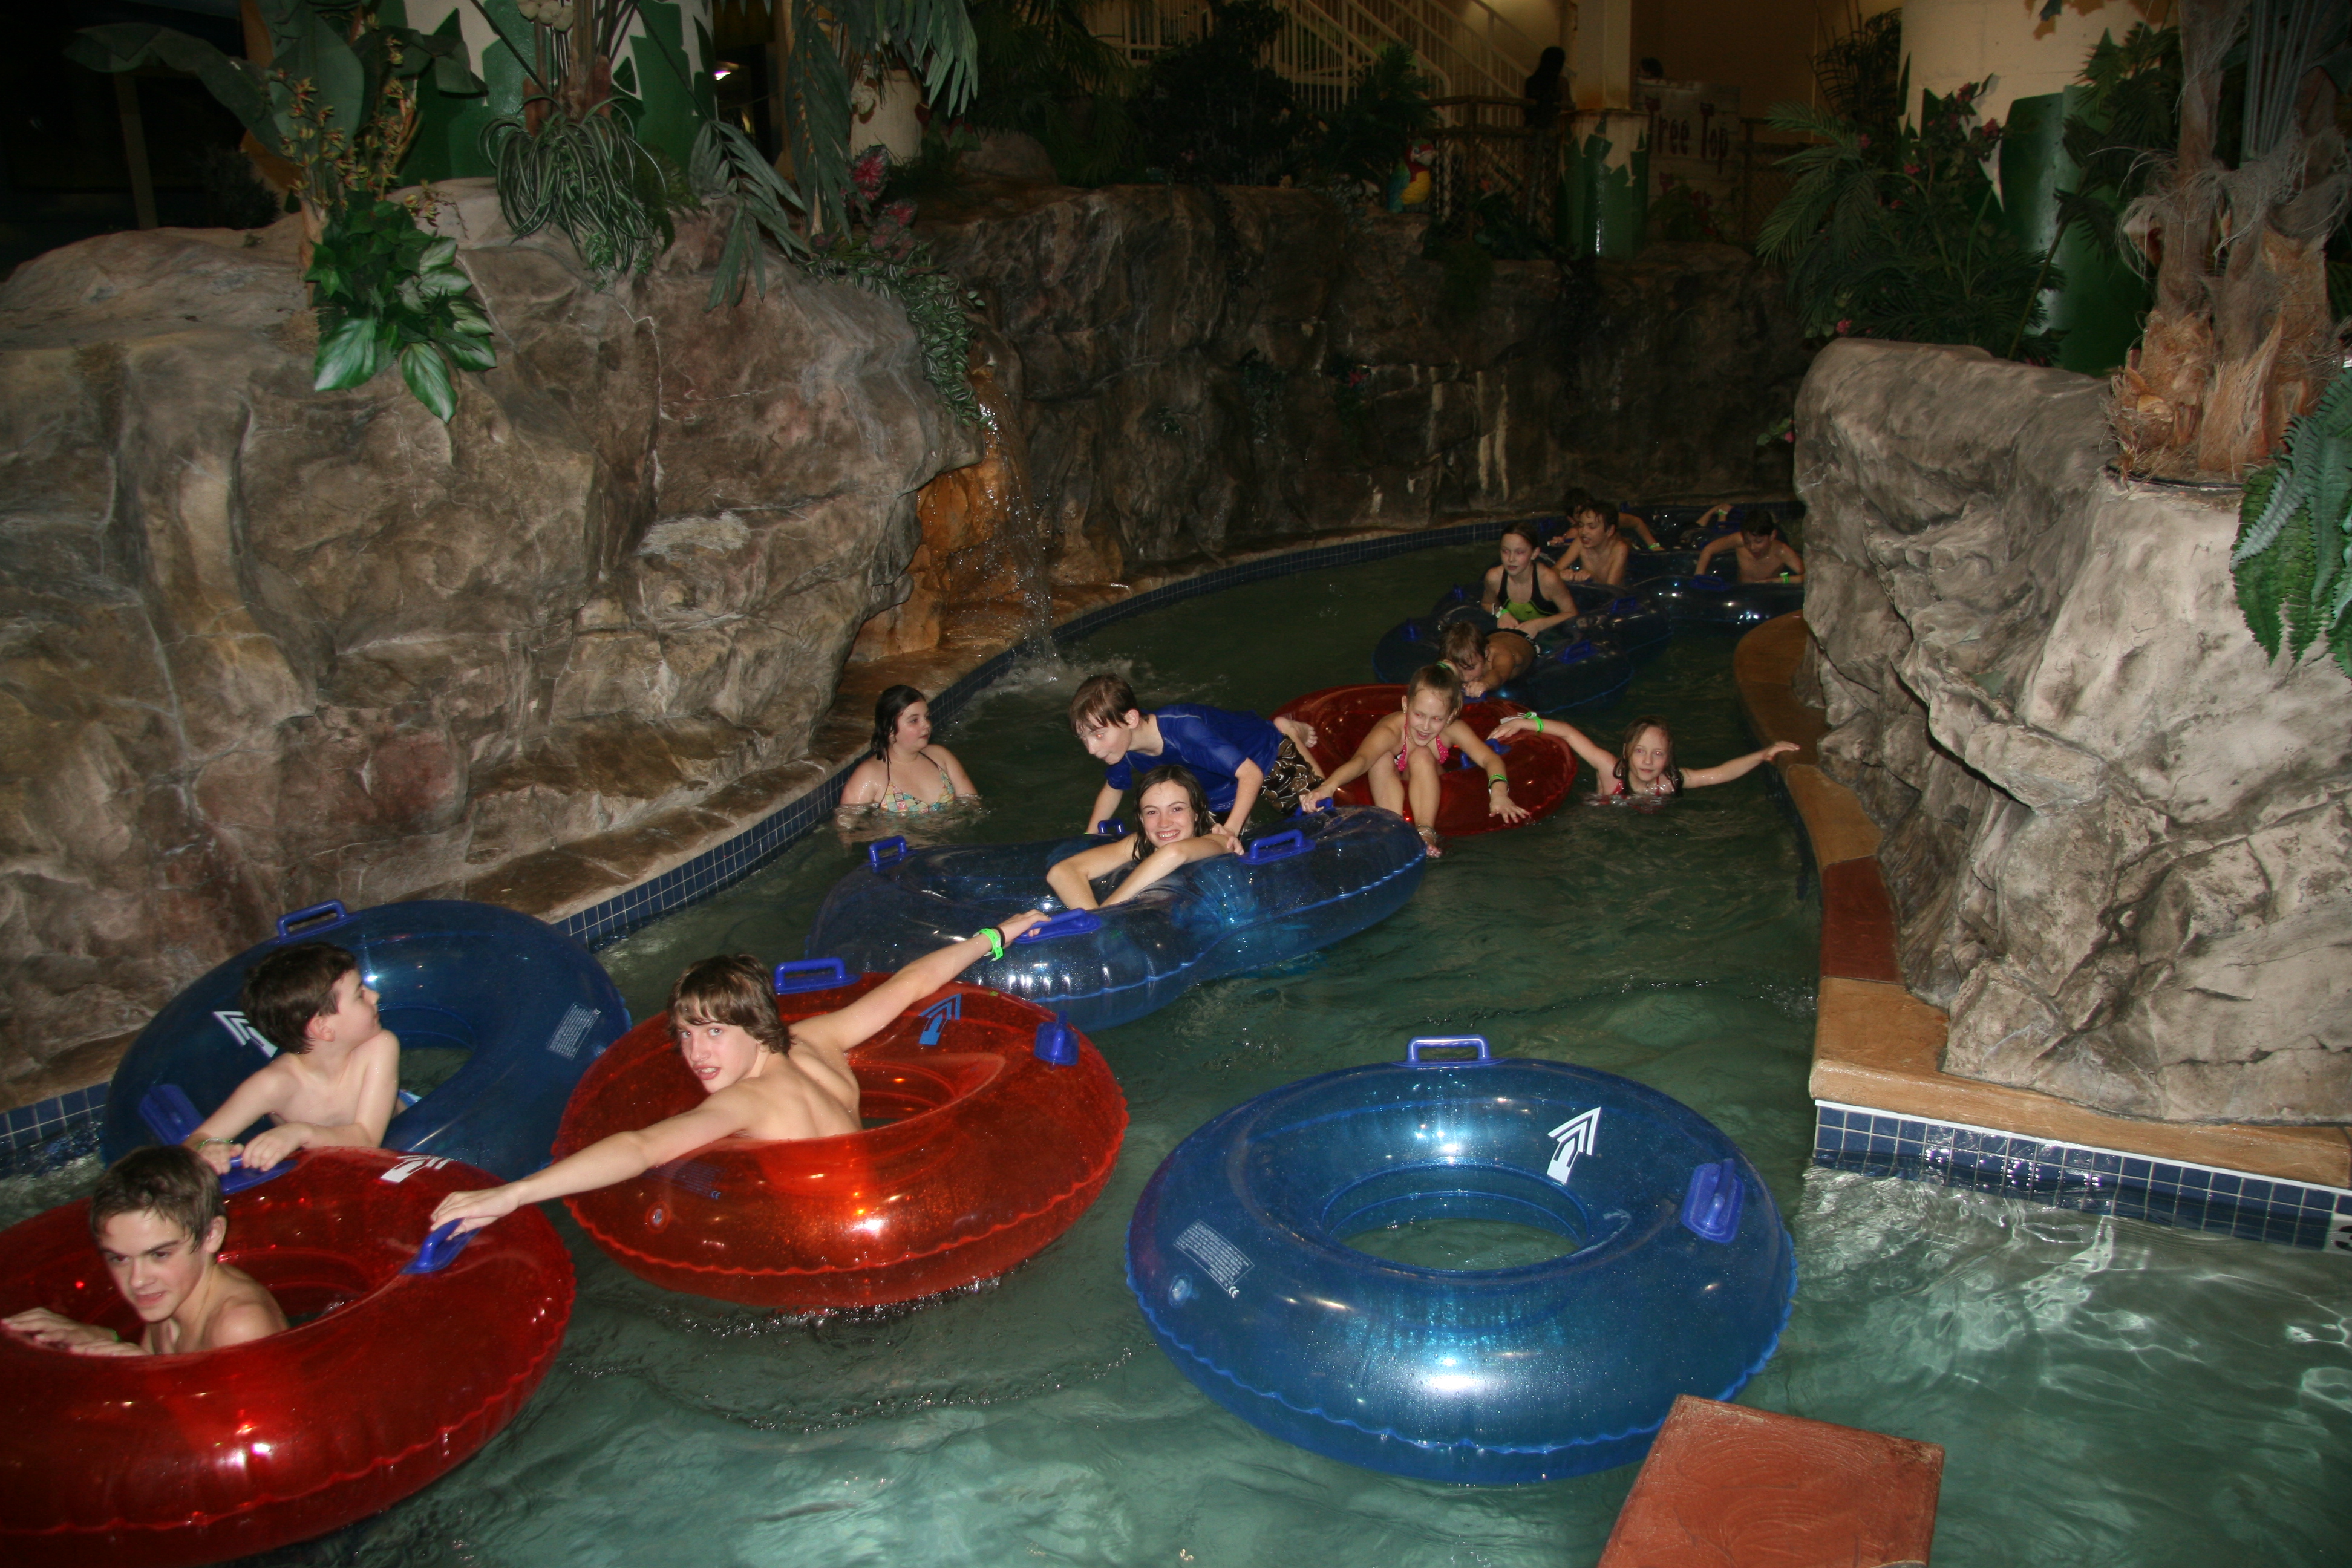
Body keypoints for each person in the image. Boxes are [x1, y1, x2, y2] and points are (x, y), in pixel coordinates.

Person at [426, 920, 1049, 1237]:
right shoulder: (818, 1040)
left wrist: (513, 1194)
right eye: (685, 1034)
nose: (695, 1053)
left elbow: (641, 1147)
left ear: (754, 1026)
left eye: (714, 1032)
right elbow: (911, 983)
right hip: (904, 1214)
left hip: (842, 1256)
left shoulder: (747, 1102)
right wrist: (996, 935)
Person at [3, 1145, 287, 1356]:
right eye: (119, 1258)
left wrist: (145, 1370)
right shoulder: (167, 1301)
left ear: (211, 1235)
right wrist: (103, 1338)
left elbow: (259, 1419)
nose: (137, 1280)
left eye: (159, 1255)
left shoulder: (240, 1326)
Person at [182, 942, 400, 1175]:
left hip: (400, 1128)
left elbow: (367, 1140)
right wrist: (208, 1148)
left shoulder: (379, 1046)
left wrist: (301, 1133)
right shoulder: (273, 1085)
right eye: (360, 994)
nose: (375, 995)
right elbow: (195, 1141)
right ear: (324, 1028)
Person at [1301, 664, 1528, 855]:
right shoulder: (1391, 730)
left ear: (1450, 716)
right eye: (1419, 715)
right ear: (1405, 705)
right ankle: (1391, 827)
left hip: (1430, 781)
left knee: (1421, 754)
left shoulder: (1453, 729)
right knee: (1379, 758)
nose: (1426, 727)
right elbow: (1361, 761)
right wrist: (1328, 787)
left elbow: (1490, 759)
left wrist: (1499, 793)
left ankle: (1425, 832)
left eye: (1437, 719)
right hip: (1393, 786)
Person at [1070, 673, 1322, 837]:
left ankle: (1287, 729)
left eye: (1099, 735)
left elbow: (1251, 774)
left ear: (1131, 719)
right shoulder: (1121, 746)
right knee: (1204, 852)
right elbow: (1113, 789)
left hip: (1261, 756)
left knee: (1318, 816)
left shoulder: (1184, 729)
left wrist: (1230, 831)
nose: (1091, 749)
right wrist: (1090, 839)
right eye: (1084, 738)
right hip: (1213, 791)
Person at [1047, 765, 1240, 912]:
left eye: (1177, 809)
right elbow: (1063, 872)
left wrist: (1108, 913)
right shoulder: (1142, 843)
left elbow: (1174, 853)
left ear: (1197, 812)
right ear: (1141, 818)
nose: (1164, 823)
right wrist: (1095, 925)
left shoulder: (1219, 841)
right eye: (1152, 812)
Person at [1491, 711, 1797, 799]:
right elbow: (1569, 734)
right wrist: (1526, 723)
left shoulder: (1671, 782)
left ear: (1669, 758)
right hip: (1600, 820)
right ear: (1626, 752)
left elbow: (1719, 773)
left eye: (1658, 754)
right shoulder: (1610, 769)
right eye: (1640, 751)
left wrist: (1762, 754)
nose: (1648, 761)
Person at [838, 685, 979, 816]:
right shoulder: (869, 776)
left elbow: (974, 808)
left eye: (927, 717)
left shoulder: (940, 758)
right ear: (890, 730)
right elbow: (847, 828)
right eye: (914, 721)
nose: (926, 725)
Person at [1480, 524, 1578, 639]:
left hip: (1549, 638)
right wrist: (1501, 613)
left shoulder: (1548, 580)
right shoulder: (1494, 578)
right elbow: (1486, 604)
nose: (1511, 559)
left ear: (1534, 553)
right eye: (1506, 551)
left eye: (1520, 552)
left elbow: (1572, 614)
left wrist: (1538, 625)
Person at [1695, 508, 1805, 583]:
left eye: (1759, 541)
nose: (1752, 548)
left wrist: (1779, 580)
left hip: (1767, 595)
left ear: (1772, 536)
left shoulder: (1782, 552)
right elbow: (1709, 549)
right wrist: (1699, 578)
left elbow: (1808, 577)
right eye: (1747, 542)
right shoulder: (1738, 540)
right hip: (1742, 591)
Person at [1440, 616, 1536, 696]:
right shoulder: (1472, 656)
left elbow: (1499, 674)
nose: (1466, 678)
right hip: (1494, 635)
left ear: (1486, 653)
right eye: (1458, 669)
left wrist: (1484, 684)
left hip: (1523, 639)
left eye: (1471, 668)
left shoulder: (1503, 656)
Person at [1552, 503, 1633, 587]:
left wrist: (1594, 578)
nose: (1583, 532)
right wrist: (1561, 574)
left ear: (1610, 531)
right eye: (1581, 525)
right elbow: (1554, 570)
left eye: (1592, 527)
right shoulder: (1580, 541)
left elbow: (1612, 590)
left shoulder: (1619, 550)